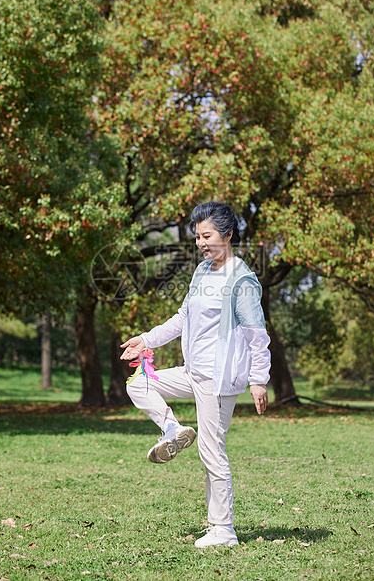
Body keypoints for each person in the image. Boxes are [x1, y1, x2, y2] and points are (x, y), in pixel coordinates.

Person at [120, 202, 271, 548]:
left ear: (228, 234)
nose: (202, 243)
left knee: (211, 450)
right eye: (197, 237)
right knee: (140, 382)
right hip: (194, 371)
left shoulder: (242, 280)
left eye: (207, 235)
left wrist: (258, 379)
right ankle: (171, 428)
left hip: (219, 379)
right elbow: (182, 318)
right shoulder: (203, 271)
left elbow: (256, 334)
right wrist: (145, 340)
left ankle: (223, 529)